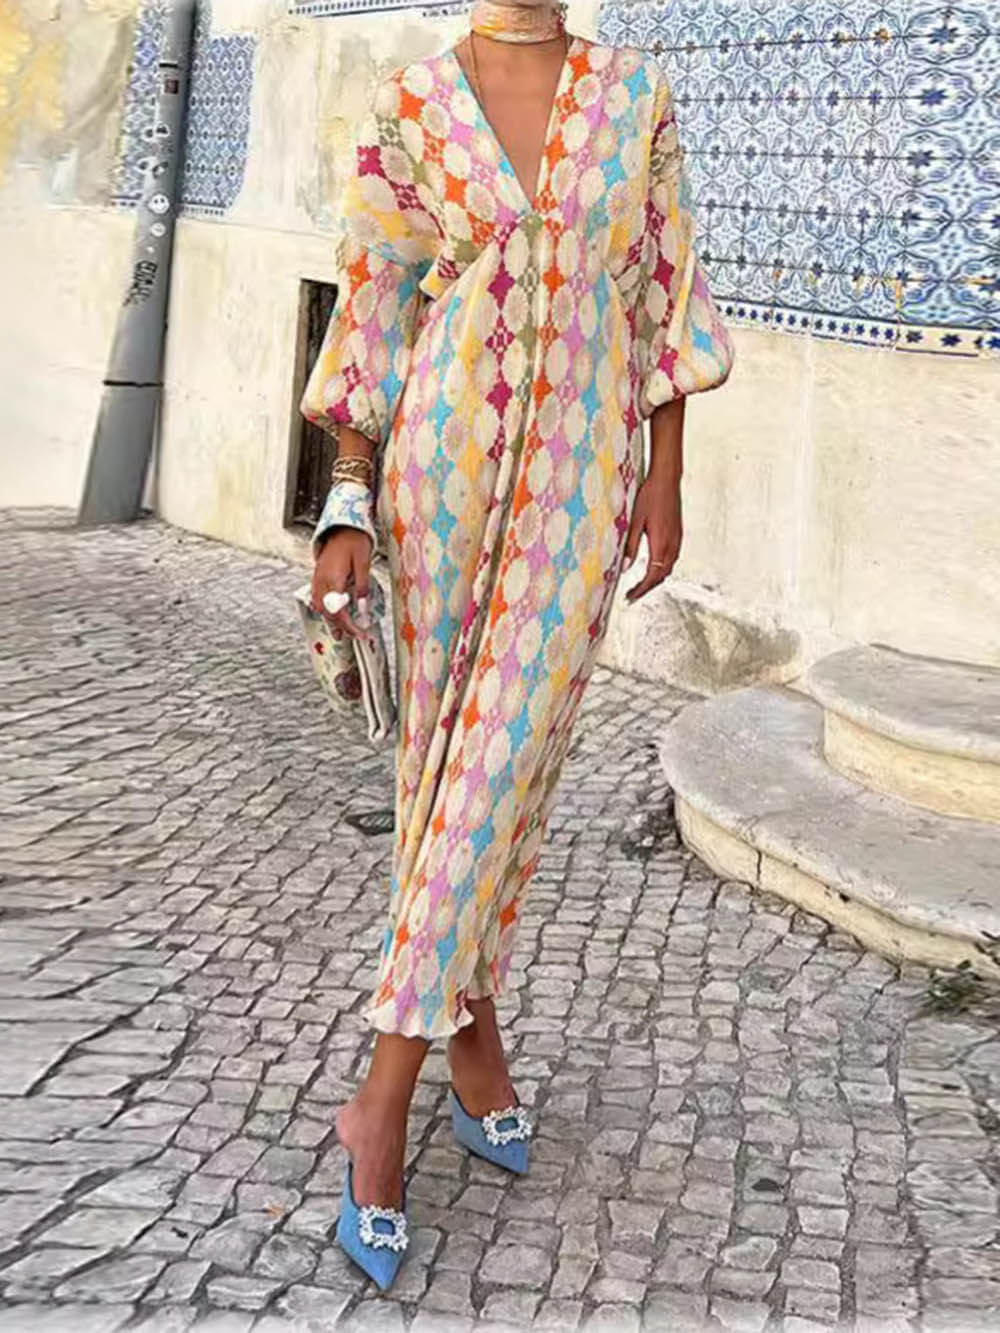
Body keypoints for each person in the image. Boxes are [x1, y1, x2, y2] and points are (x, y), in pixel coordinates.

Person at [301, 0, 733, 1288]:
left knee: (503, 771)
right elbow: (374, 301)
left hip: (582, 474)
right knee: (440, 774)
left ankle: (383, 1092)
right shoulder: (413, 103)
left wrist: (664, 471)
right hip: (441, 466)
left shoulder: (633, 96)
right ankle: (468, 1036)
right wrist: (346, 500)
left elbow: (662, 291)